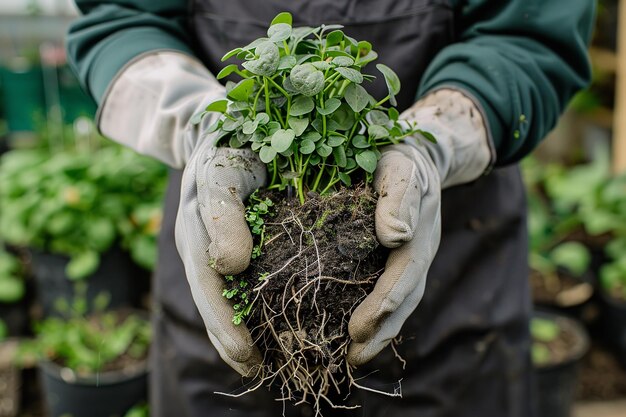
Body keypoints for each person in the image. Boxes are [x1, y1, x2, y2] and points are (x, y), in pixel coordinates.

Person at [66, 1, 594, 416]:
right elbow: (122, 19)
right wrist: (206, 126)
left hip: (456, 264)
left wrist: (436, 140)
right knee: (232, 351)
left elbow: (529, 32)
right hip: (224, 218)